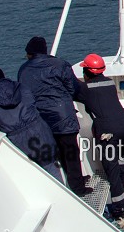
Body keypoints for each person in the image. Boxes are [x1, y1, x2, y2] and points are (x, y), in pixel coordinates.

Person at [17, 35, 90, 195]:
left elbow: (24, 94)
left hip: (41, 119)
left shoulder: (23, 70)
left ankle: (67, 182)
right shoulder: (60, 64)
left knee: (56, 151)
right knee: (70, 150)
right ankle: (78, 186)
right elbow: (73, 89)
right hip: (62, 115)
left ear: (30, 53)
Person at [73, 54, 124, 221]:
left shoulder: (85, 89)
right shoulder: (109, 82)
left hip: (108, 132)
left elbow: (73, 90)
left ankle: (120, 208)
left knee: (111, 169)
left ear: (87, 71)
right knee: (121, 156)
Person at [0, 67, 60, 178]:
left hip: (17, 139)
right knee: (50, 165)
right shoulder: (19, 86)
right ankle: (61, 191)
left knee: (29, 171)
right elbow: (32, 102)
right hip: (39, 128)